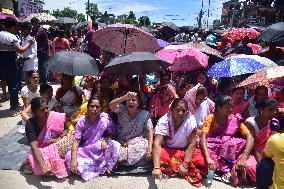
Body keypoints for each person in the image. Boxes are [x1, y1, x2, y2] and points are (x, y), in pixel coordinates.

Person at [152, 98, 207, 187]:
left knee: (201, 160)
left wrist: (185, 164)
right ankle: (178, 168)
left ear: (187, 111)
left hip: (185, 151)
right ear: (172, 110)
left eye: (183, 110)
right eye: (177, 110)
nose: (181, 113)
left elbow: (192, 143)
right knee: (160, 156)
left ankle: (176, 168)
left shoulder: (190, 120)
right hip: (168, 151)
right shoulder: (164, 120)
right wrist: (156, 168)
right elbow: (157, 143)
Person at [200, 96, 254, 184]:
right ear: (219, 107)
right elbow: (203, 136)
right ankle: (222, 171)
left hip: (228, 150)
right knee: (206, 151)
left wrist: (244, 156)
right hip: (213, 145)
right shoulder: (211, 117)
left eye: (232, 106)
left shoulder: (235, 119)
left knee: (232, 143)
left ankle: (227, 169)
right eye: (227, 107)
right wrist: (208, 157)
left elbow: (250, 137)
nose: (231, 109)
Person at [65, 96, 120, 181]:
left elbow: (111, 134)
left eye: (97, 107)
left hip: (100, 148)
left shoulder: (104, 119)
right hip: (86, 150)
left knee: (115, 145)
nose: (94, 109)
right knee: (69, 156)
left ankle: (100, 165)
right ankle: (100, 166)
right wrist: (74, 159)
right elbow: (76, 141)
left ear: (101, 109)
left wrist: (106, 140)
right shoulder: (82, 121)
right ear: (87, 107)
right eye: (92, 106)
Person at [23, 97, 69, 178]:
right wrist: (43, 166)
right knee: (34, 158)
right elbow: (34, 147)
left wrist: (59, 138)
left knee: (68, 144)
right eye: (42, 110)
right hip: (42, 149)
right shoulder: (30, 124)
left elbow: (67, 130)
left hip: (57, 144)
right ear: (34, 113)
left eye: (47, 108)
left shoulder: (54, 116)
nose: (46, 111)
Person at [0, 18, 35, 116]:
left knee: (2, 82)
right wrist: (30, 42)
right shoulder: (12, 37)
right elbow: (21, 50)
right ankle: (13, 108)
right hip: (10, 63)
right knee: (13, 86)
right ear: (14, 26)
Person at [109, 91, 154, 167]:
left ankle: (121, 159)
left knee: (144, 145)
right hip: (121, 142)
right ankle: (123, 159)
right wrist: (125, 97)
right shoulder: (121, 110)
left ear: (138, 103)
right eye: (129, 100)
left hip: (136, 143)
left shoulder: (144, 114)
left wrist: (150, 148)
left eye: (134, 100)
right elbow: (111, 105)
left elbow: (150, 130)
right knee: (110, 146)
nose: (131, 102)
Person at [245, 98, 279, 185]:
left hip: (268, 150)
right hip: (252, 151)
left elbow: (273, 142)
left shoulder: (274, 122)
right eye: (270, 110)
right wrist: (261, 163)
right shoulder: (251, 122)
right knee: (250, 167)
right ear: (261, 110)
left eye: (275, 110)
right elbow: (254, 146)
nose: (274, 113)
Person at [31, 17, 50, 84]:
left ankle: (45, 82)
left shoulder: (41, 31)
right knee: (38, 68)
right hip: (36, 52)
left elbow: (47, 42)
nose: (34, 24)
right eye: (33, 23)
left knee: (43, 69)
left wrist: (49, 52)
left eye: (35, 22)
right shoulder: (32, 32)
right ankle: (40, 81)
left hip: (43, 52)